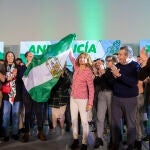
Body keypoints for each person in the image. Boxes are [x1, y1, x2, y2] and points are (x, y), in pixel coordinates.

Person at [110, 46, 140, 150]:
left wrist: (119, 75)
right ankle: (116, 144)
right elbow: (112, 84)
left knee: (130, 124)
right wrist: (113, 77)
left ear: (127, 55)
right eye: (118, 54)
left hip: (130, 99)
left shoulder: (135, 66)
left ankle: (130, 145)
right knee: (115, 123)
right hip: (116, 98)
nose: (118, 56)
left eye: (120, 54)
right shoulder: (117, 65)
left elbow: (133, 82)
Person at [69, 51, 94, 150]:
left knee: (84, 122)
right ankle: (75, 140)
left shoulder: (88, 71)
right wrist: (69, 46)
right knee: (74, 120)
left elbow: (91, 89)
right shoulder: (76, 67)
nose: (81, 59)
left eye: (84, 58)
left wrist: (90, 103)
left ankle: (84, 142)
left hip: (83, 99)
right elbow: (71, 57)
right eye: (80, 57)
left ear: (87, 60)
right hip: (73, 98)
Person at [21, 51, 47, 142]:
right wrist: (26, 66)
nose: (32, 58)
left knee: (39, 113)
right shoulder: (22, 67)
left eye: (33, 56)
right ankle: (27, 133)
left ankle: (40, 132)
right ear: (26, 57)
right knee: (27, 113)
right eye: (30, 56)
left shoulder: (37, 67)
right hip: (27, 94)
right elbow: (21, 77)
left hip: (36, 94)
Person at [94, 56, 117, 149]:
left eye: (109, 61)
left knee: (111, 118)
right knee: (100, 117)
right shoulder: (106, 70)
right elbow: (97, 82)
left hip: (111, 94)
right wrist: (97, 74)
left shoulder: (115, 70)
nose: (107, 62)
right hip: (102, 94)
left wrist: (104, 74)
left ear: (114, 62)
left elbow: (112, 83)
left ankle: (113, 139)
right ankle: (99, 138)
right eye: (107, 61)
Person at [2, 51, 23, 141]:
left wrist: (21, 69)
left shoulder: (18, 67)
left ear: (14, 57)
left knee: (15, 114)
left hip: (17, 94)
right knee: (5, 115)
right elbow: (2, 79)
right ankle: (6, 134)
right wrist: (7, 78)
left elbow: (22, 78)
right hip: (6, 95)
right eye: (8, 56)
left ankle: (15, 133)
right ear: (6, 57)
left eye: (12, 55)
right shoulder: (2, 67)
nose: (10, 57)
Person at [48, 63, 72, 134]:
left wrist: (63, 75)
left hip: (63, 96)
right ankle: (54, 129)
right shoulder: (53, 71)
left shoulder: (68, 72)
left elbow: (69, 83)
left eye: (64, 63)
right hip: (54, 96)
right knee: (54, 115)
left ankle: (62, 129)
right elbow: (51, 84)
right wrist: (58, 76)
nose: (62, 64)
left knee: (62, 115)